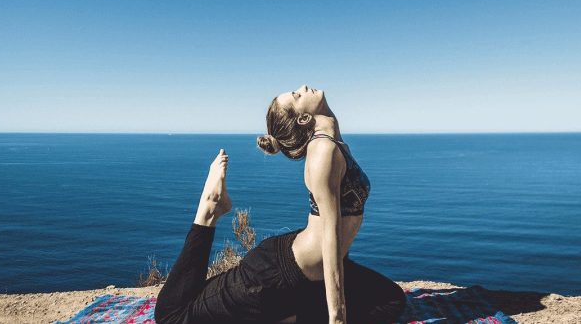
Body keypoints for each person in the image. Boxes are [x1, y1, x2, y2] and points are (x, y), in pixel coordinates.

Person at [154, 84, 406, 324]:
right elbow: (331, 236)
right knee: (172, 316)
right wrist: (337, 317)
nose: (304, 87)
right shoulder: (322, 152)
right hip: (274, 275)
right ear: (304, 119)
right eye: (297, 96)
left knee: (391, 300)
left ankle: (286, 316)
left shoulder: (334, 143)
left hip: (308, 272)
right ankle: (209, 209)